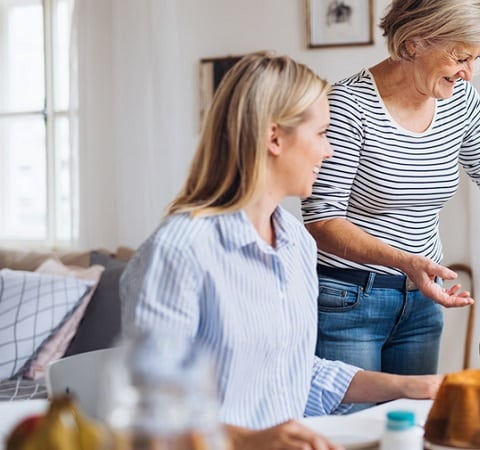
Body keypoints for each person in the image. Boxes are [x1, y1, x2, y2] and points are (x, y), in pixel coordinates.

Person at [120, 52, 442, 449]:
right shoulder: (178, 252)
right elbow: (153, 421)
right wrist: (250, 441)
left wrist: (413, 386)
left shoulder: (295, 242)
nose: (330, 152)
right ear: (274, 137)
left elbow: (294, 373)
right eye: (322, 134)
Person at [301, 0, 480, 377]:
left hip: (422, 299)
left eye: (475, 59)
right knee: (353, 432)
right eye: (460, 58)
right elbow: (322, 220)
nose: (468, 73)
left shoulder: (462, 103)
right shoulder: (347, 106)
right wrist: (406, 262)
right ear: (412, 44)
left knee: (412, 427)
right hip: (350, 299)